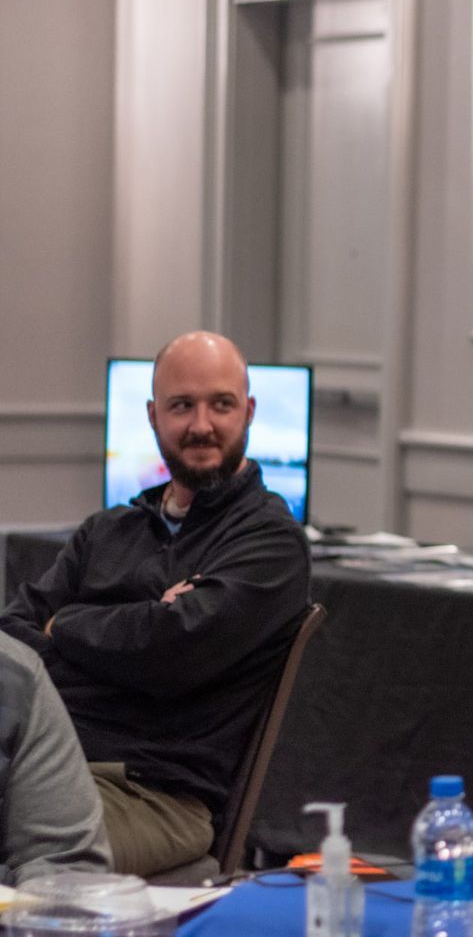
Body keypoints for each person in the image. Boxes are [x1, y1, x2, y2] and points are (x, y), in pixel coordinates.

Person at [0, 332, 313, 876]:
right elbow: (11, 643)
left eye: (221, 404)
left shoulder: (269, 543)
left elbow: (169, 653)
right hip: (43, 762)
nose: (201, 425)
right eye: (181, 406)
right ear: (152, 415)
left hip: (154, 798)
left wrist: (65, 625)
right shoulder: (107, 531)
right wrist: (132, 638)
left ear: (249, 411)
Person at [0, 632, 111, 883]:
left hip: (146, 774)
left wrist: (64, 625)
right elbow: (21, 620)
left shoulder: (15, 672)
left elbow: (66, 864)